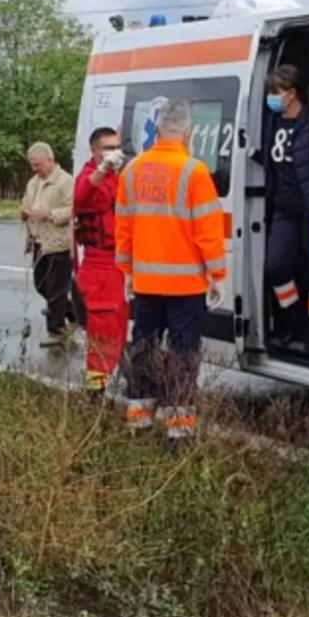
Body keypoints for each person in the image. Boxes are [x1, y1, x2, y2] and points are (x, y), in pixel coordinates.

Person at [115, 98, 227, 442]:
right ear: (187, 132)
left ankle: (138, 422)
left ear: (158, 130)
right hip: (185, 285)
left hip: (146, 282)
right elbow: (208, 232)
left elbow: (123, 228)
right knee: (183, 354)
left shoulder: (132, 170)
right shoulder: (195, 172)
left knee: (144, 349)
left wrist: (127, 272)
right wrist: (217, 276)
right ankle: (178, 431)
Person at [258, 64, 309, 349]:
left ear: (292, 93)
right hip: (282, 208)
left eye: (276, 92)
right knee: (276, 267)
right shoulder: (273, 122)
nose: (272, 98)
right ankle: (292, 316)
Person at [73, 126, 127, 393]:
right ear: (94, 151)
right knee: (103, 330)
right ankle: (94, 395)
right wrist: (102, 168)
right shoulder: (89, 177)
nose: (114, 152)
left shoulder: (117, 178)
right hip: (99, 265)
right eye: (108, 148)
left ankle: (127, 380)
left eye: (117, 147)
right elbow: (81, 195)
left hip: (119, 263)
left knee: (119, 327)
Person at [20, 142, 76, 344]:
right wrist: (24, 211)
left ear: (50, 160)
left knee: (56, 290)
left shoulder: (66, 181)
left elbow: (73, 210)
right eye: (32, 165)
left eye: (38, 164)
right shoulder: (33, 183)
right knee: (41, 285)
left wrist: (49, 214)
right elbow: (26, 203)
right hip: (39, 242)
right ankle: (73, 313)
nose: (35, 169)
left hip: (59, 243)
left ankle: (56, 331)